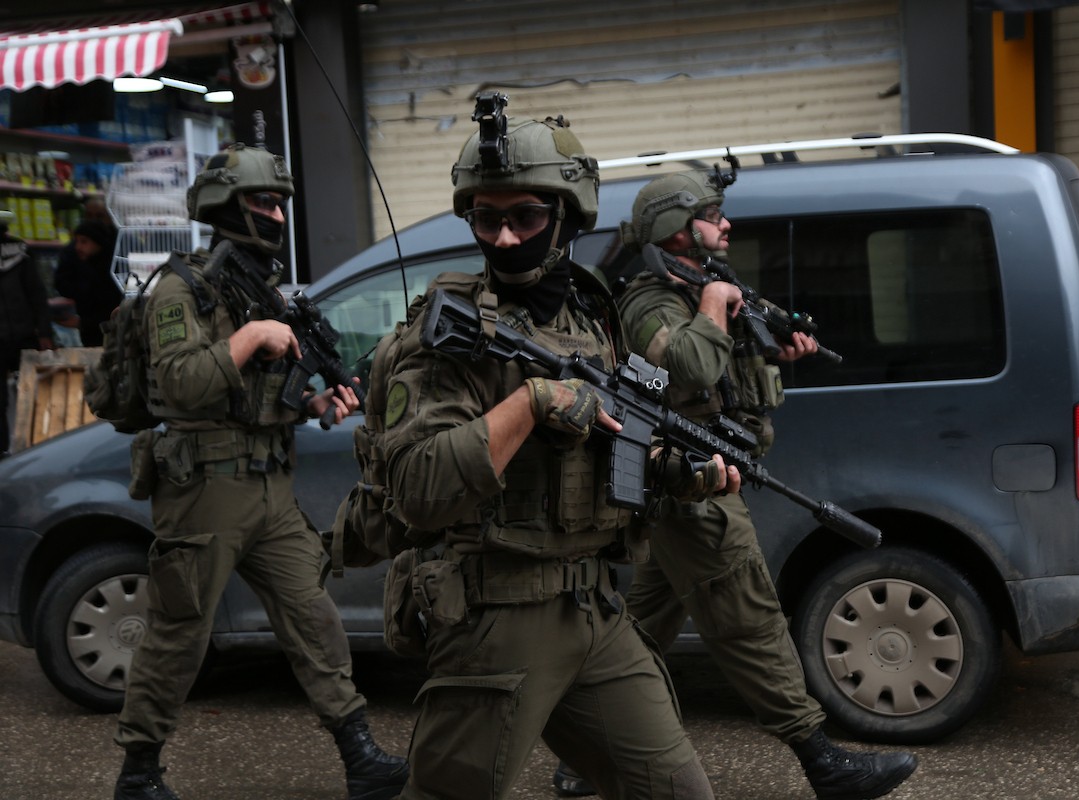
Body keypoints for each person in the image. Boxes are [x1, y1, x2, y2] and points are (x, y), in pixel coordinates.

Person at [381, 103, 738, 800]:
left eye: (526, 216)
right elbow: (417, 489)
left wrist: (676, 471)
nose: (505, 237)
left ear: (568, 216)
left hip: (595, 612)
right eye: (486, 218)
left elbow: (615, 441)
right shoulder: (448, 331)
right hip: (497, 616)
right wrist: (532, 402)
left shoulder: (591, 314)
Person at [552, 169, 919, 800]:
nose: (726, 224)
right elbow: (688, 367)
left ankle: (586, 755)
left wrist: (773, 350)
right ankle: (821, 760)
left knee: (640, 628)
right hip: (688, 487)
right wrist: (714, 305)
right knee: (750, 619)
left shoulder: (699, 287)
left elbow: (721, 372)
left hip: (700, 476)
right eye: (712, 214)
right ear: (677, 228)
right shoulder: (649, 301)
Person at [111, 144, 409, 800]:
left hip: (269, 491)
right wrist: (250, 338)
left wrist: (312, 403)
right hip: (203, 492)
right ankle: (138, 773)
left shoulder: (258, 288)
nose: (276, 215)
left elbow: (254, 395)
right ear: (226, 205)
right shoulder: (181, 287)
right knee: (179, 634)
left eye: (280, 204)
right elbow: (181, 384)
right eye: (263, 202)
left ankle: (359, 755)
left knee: (314, 616)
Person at [0, 209, 54, 457]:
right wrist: (43, 332)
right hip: (24, 334)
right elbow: (38, 296)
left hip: (23, 336)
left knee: (29, 393)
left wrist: (44, 333)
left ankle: (20, 447)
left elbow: (37, 297)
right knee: (30, 393)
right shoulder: (21, 253)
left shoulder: (22, 255)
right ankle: (32, 445)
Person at [54, 219, 122, 346]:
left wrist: (83, 323)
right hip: (89, 334)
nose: (78, 247)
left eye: (84, 241)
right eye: (77, 241)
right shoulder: (77, 265)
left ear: (98, 243)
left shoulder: (113, 270)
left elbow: (110, 309)